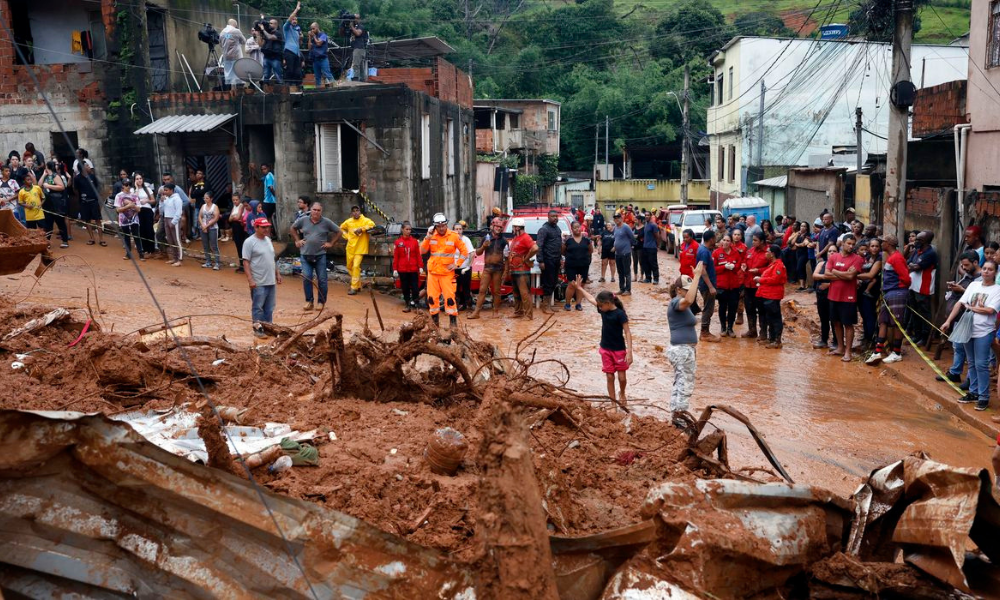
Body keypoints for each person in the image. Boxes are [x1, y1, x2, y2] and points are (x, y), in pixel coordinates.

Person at [942, 260, 1000, 412]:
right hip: (967, 329)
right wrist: (948, 321)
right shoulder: (974, 285)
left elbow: (990, 310)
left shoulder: (997, 290)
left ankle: (984, 397)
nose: (986, 271)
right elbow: (959, 303)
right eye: (985, 269)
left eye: (990, 269)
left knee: (981, 364)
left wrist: (971, 307)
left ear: (995, 273)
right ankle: (974, 392)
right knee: (972, 362)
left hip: (984, 331)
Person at [574, 276, 632, 409]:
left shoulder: (620, 314)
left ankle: (622, 393)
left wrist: (630, 352)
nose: (598, 307)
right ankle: (613, 403)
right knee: (610, 377)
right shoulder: (603, 310)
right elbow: (590, 298)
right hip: (605, 348)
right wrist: (579, 288)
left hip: (619, 350)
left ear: (607, 303)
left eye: (600, 305)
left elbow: (628, 332)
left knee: (622, 378)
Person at [866, 234, 911, 366]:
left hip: (896, 292)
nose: (881, 243)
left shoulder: (897, 258)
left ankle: (896, 353)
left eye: (883, 241)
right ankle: (877, 351)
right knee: (883, 321)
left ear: (889, 244)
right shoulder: (892, 257)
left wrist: (898, 289)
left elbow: (906, 278)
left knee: (896, 323)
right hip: (889, 293)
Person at [937, 251, 981, 387]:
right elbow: (960, 302)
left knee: (972, 355)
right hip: (960, 317)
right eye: (963, 265)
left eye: (966, 265)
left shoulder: (980, 280)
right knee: (957, 346)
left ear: (975, 263)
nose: (964, 268)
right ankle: (955, 372)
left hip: (971, 319)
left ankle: (970, 380)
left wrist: (961, 289)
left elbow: (974, 299)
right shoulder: (968, 275)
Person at [667, 263, 704, 420]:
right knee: (685, 384)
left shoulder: (684, 305)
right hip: (681, 350)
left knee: (681, 382)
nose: (690, 292)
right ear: (678, 290)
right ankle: (679, 416)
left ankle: (676, 414)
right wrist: (697, 276)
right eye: (686, 289)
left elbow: (690, 299)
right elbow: (689, 299)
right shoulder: (677, 302)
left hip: (684, 350)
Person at [290, 202, 340, 311]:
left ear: (321, 211)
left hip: (320, 255)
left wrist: (331, 243)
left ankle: (321, 302)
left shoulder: (326, 222)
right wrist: (297, 240)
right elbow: (293, 228)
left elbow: (339, 231)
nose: (316, 212)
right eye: (314, 210)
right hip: (305, 254)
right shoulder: (303, 220)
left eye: (318, 210)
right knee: (307, 278)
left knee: (322, 280)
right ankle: (309, 301)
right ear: (310, 210)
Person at [420, 213, 467, 328]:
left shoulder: (454, 236)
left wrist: (457, 264)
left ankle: (453, 326)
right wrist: (427, 237)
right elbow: (422, 251)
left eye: (443, 226)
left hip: (447, 273)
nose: (441, 228)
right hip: (433, 273)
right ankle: (435, 326)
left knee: (450, 299)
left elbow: (464, 252)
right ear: (435, 226)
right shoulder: (431, 235)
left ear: (446, 224)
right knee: (432, 299)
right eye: (439, 226)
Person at [242, 217, 283, 338]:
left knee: (270, 307)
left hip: (270, 280)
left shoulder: (268, 240)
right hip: (258, 280)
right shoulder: (249, 242)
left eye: (267, 227)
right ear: (256, 227)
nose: (266, 229)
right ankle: (257, 328)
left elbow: (272, 259)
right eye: (263, 227)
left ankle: (268, 327)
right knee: (258, 306)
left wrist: (277, 273)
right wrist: (250, 279)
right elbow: (246, 262)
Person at [826, 234, 863, 361]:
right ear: (842, 243)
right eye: (849, 243)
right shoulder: (834, 256)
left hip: (848, 297)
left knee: (848, 324)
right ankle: (840, 348)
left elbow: (850, 277)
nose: (851, 246)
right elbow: (826, 274)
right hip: (833, 295)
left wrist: (835, 272)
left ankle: (848, 351)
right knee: (836, 322)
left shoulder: (857, 259)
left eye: (853, 244)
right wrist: (844, 273)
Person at [469, 218, 507, 319]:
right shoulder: (486, 239)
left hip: (498, 269)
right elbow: (478, 253)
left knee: (497, 291)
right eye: (497, 226)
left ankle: (496, 312)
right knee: (482, 290)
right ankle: (476, 312)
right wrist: (484, 246)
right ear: (492, 226)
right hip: (487, 268)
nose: (498, 229)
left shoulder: (504, 241)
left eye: (500, 227)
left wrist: (506, 271)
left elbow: (507, 257)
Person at [906, 231, 938, 346]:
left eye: (919, 240)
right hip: (913, 286)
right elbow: (908, 263)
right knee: (914, 311)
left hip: (923, 287)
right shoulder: (916, 251)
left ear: (926, 241)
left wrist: (912, 266)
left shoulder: (930, 253)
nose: (916, 241)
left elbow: (916, 267)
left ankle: (925, 336)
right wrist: (911, 266)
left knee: (924, 312)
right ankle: (917, 334)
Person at [755, 244, 787, 349]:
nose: (766, 253)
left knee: (775, 317)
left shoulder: (779, 265)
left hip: (773, 295)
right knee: (769, 317)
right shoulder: (772, 264)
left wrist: (760, 280)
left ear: (772, 254)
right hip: (767, 294)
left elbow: (775, 280)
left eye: (767, 251)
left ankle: (777, 340)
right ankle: (772, 338)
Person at [340, 205, 375, 295]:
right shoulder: (348, 221)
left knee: (355, 266)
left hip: (360, 248)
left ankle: (354, 287)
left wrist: (362, 229)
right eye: (353, 211)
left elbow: (372, 225)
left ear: (360, 211)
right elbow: (341, 228)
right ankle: (358, 284)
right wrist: (347, 236)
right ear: (351, 213)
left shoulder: (365, 220)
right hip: (350, 248)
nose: (355, 212)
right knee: (349, 267)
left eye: (357, 210)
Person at [508, 218, 538, 319]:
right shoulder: (516, 238)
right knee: (516, 293)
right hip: (514, 269)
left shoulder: (525, 237)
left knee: (524, 293)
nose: (512, 229)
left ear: (517, 227)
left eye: (513, 227)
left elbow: (535, 248)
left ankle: (528, 315)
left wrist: (527, 258)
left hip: (522, 270)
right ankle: (518, 312)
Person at [712, 233, 742, 337]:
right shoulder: (716, 253)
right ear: (721, 241)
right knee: (722, 307)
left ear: (731, 242)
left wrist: (734, 267)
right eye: (724, 240)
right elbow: (713, 269)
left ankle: (730, 328)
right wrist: (724, 267)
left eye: (728, 241)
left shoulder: (735, 252)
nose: (725, 242)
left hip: (733, 285)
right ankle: (723, 327)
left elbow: (739, 265)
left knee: (733, 307)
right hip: (722, 285)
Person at [857, 238, 883, 347]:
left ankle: (870, 338)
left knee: (870, 314)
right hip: (862, 288)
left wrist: (853, 276)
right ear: (868, 247)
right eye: (872, 246)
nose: (874, 248)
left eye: (876, 246)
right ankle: (866, 335)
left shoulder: (879, 259)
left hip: (872, 290)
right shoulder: (867, 257)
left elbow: (871, 275)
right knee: (863, 313)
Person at [536, 210, 563, 313]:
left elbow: (559, 244)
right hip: (547, 260)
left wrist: (560, 258)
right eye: (552, 216)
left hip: (556, 259)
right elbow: (539, 246)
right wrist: (541, 260)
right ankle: (545, 306)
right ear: (548, 217)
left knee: (554, 282)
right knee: (547, 283)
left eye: (556, 216)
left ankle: (549, 305)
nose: (555, 218)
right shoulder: (544, 229)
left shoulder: (557, 229)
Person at [563, 220, 593, 311]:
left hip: (583, 265)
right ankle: (567, 304)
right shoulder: (568, 240)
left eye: (578, 227)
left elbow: (590, 250)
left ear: (581, 228)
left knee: (581, 285)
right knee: (572, 284)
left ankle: (578, 304)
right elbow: (563, 251)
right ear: (571, 229)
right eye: (575, 227)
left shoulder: (586, 239)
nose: (577, 229)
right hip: (571, 265)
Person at [742, 231, 768, 339]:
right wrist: (743, 265)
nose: (752, 242)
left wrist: (758, 270)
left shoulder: (768, 252)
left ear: (762, 241)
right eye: (752, 240)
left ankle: (763, 333)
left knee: (762, 309)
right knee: (749, 308)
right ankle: (752, 330)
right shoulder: (750, 251)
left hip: (760, 285)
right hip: (748, 284)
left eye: (755, 240)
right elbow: (744, 261)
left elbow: (772, 267)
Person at [392, 221, 422, 312]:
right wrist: (395, 269)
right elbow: (396, 256)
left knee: (415, 287)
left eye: (410, 229)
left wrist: (420, 266)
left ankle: (416, 304)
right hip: (402, 269)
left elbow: (418, 255)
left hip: (413, 268)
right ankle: (407, 304)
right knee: (405, 287)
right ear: (402, 230)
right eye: (407, 229)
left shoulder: (414, 242)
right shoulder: (398, 242)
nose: (408, 231)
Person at [696, 230, 719, 342]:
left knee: (708, 308)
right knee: (708, 309)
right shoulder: (705, 252)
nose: (715, 240)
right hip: (706, 285)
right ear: (711, 239)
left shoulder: (703, 249)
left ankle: (705, 331)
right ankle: (704, 333)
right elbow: (703, 270)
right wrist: (711, 286)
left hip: (704, 284)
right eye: (715, 238)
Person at [75, 161, 105, 246]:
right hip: (84, 203)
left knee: (98, 220)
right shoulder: (77, 178)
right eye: (87, 166)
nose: (89, 167)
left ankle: (101, 239)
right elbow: (76, 190)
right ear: (83, 168)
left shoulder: (92, 176)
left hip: (94, 201)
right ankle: (92, 238)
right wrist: (81, 199)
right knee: (87, 220)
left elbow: (96, 187)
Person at [40, 161, 69, 248]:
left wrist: (49, 186)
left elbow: (61, 187)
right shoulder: (45, 176)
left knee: (60, 222)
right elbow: (39, 185)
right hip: (47, 202)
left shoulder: (55, 176)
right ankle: (47, 242)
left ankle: (65, 241)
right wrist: (43, 175)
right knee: (48, 223)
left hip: (56, 203)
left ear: (47, 167)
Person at [112, 179, 142, 260]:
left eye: (129, 184)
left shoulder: (134, 196)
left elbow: (139, 209)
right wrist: (128, 206)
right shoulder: (118, 196)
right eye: (126, 184)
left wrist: (133, 206)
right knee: (126, 236)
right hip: (123, 219)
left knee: (136, 235)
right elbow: (117, 210)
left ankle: (141, 253)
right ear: (122, 186)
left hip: (134, 218)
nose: (128, 186)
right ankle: (128, 254)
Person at [159, 183, 184, 266]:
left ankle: (180, 259)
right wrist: (162, 201)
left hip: (174, 220)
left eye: (166, 190)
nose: (165, 192)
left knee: (177, 240)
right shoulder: (166, 198)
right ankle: (174, 258)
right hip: (166, 218)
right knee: (170, 240)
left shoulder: (177, 199)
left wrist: (174, 222)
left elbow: (179, 212)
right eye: (164, 190)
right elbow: (162, 209)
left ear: (171, 190)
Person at [133, 172, 156, 256]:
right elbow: (134, 199)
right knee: (141, 230)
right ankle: (145, 249)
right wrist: (136, 188)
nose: (139, 180)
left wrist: (147, 200)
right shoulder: (133, 190)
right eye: (137, 179)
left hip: (147, 210)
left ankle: (151, 249)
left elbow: (153, 200)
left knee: (149, 229)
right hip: (139, 211)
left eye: (140, 178)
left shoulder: (148, 189)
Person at [453, 221, 475, 310]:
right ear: (453, 230)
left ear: (462, 230)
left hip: (464, 268)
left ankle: (468, 306)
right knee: (455, 288)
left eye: (460, 229)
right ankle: (456, 305)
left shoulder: (466, 240)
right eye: (456, 229)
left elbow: (472, 253)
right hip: (454, 268)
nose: (458, 231)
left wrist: (468, 266)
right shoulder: (451, 240)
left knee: (466, 288)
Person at [612, 212, 635, 296]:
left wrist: (630, 246)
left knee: (627, 272)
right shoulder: (615, 228)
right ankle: (622, 289)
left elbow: (632, 237)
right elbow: (616, 239)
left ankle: (628, 290)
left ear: (621, 218)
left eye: (618, 217)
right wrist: (614, 247)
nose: (617, 219)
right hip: (618, 253)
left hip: (626, 253)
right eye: (615, 218)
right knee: (620, 272)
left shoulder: (626, 227)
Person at [198, 191, 221, 270]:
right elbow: (200, 216)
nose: (205, 199)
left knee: (214, 245)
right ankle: (208, 261)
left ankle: (217, 263)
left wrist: (206, 226)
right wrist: (202, 225)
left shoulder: (215, 207)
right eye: (204, 198)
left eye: (207, 198)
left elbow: (216, 218)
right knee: (205, 245)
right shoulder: (203, 206)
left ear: (211, 199)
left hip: (213, 228)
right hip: (203, 227)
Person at [283, 2, 304, 87]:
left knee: (297, 71)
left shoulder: (296, 31)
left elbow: (300, 44)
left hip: (297, 53)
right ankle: (288, 86)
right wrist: (296, 9)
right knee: (290, 70)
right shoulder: (286, 27)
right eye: (293, 19)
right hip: (289, 51)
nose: (294, 21)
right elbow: (290, 18)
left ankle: (297, 86)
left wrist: (301, 38)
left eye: (295, 19)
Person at [220, 19, 246, 87]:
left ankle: (230, 91)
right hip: (236, 55)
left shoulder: (222, 32)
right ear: (235, 24)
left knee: (228, 74)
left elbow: (220, 44)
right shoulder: (236, 31)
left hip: (226, 56)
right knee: (238, 73)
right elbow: (244, 41)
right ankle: (238, 91)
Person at [308, 22, 334, 87]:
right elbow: (309, 47)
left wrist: (314, 37)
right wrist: (309, 37)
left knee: (328, 74)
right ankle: (318, 91)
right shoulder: (313, 37)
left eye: (313, 28)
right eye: (311, 29)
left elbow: (319, 43)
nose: (312, 30)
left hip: (323, 59)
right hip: (315, 59)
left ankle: (335, 87)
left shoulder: (323, 35)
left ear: (317, 27)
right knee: (317, 77)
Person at [259, 17, 284, 83]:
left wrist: (263, 30)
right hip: (266, 56)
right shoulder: (266, 33)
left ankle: (281, 90)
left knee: (278, 75)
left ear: (275, 25)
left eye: (271, 23)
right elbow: (261, 44)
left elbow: (270, 37)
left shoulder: (278, 33)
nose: (269, 24)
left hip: (275, 57)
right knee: (266, 75)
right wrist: (259, 33)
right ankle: (266, 90)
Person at [187, 169, 208, 243]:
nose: (197, 174)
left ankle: (204, 235)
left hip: (205, 206)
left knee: (205, 220)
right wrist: (199, 192)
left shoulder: (206, 183)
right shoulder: (194, 184)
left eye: (200, 173)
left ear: (203, 175)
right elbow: (192, 195)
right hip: (197, 205)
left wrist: (197, 192)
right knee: (196, 222)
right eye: (197, 173)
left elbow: (205, 192)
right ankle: (197, 235)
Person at [346, 13, 369, 81]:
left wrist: (351, 27)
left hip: (359, 48)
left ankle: (356, 78)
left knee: (356, 64)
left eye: (356, 18)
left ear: (359, 19)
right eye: (354, 18)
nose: (355, 20)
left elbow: (358, 33)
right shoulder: (353, 27)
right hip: (356, 48)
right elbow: (343, 33)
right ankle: (363, 79)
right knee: (360, 65)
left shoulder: (360, 26)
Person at [229, 194, 248, 272]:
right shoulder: (234, 206)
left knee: (241, 246)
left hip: (240, 228)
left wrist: (233, 217)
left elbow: (237, 217)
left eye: (236, 200)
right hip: (235, 227)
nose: (235, 201)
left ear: (239, 199)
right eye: (233, 200)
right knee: (238, 246)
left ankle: (244, 265)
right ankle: (241, 264)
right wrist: (234, 217)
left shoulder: (241, 206)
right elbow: (229, 219)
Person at [793, 221, 813, 290]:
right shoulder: (798, 234)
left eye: (804, 226)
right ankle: (802, 285)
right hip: (798, 253)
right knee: (801, 269)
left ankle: (804, 285)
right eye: (801, 226)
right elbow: (792, 242)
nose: (802, 227)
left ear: (807, 228)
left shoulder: (808, 235)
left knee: (799, 267)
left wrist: (797, 244)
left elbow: (803, 244)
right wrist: (796, 235)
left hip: (805, 253)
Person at [640, 214, 660, 284]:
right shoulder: (646, 224)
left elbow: (657, 236)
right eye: (645, 215)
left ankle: (656, 279)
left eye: (648, 215)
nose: (646, 216)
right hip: (645, 247)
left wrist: (657, 246)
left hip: (652, 247)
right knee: (645, 263)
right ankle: (648, 278)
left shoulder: (653, 225)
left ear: (651, 216)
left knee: (653, 263)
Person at [260, 163, 277, 238]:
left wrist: (275, 196)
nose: (264, 170)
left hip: (268, 201)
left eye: (265, 169)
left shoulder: (268, 176)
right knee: (268, 218)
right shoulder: (271, 175)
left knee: (265, 219)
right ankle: (269, 234)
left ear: (268, 168)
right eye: (262, 169)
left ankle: (267, 235)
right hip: (271, 201)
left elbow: (270, 188)